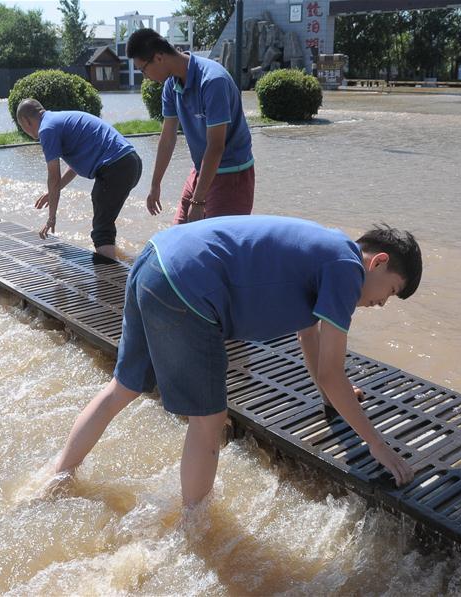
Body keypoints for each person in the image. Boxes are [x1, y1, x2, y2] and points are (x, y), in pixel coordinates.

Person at [54, 216, 423, 506]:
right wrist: (376, 443)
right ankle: (194, 529)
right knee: (209, 419)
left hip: (155, 259)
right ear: (378, 261)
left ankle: (58, 478)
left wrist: (330, 397)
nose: (381, 303)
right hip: (188, 285)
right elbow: (331, 372)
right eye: (390, 291)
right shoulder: (347, 268)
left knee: (123, 386)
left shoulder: (327, 249)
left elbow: (307, 334)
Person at [126, 28, 255, 225]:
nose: (145, 76)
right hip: (200, 171)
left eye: (143, 69)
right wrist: (155, 185)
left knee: (216, 247)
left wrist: (198, 200)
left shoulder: (212, 81)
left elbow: (216, 146)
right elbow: (168, 138)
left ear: (158, 58)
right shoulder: (171, 86)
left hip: (232, 174)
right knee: (179, 237)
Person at [16, 99, 143, 260]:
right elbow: (75, 166)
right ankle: (125, 262)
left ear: (26, 122)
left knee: (101, 229)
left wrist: (51, 218)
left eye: (22, 127)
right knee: (104, 220)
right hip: (131, 163)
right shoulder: (56, 120)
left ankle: (111, 277)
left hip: (115, 167)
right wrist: (54, 191)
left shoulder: (46, 129)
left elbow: (53, 176)